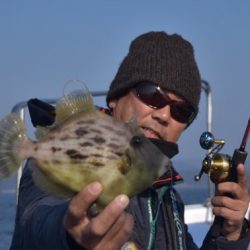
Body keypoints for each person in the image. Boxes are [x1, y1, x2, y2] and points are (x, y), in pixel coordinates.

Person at [10, 31, 250, 250]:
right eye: (151, 95)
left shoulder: (167, 195)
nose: (164, 115)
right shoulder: (70, 153)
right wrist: (72, 235)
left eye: (181, 111)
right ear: (115, 98)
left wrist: (229, 235)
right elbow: (37, 219)